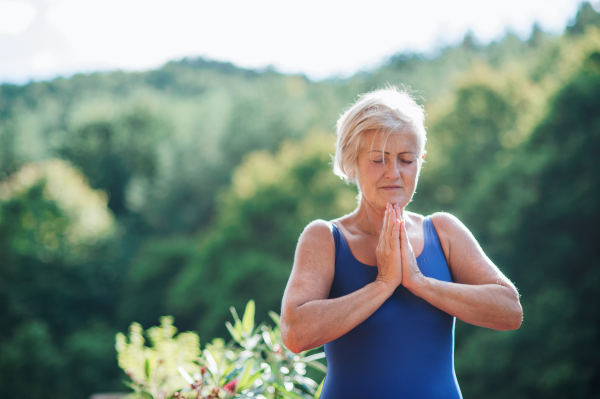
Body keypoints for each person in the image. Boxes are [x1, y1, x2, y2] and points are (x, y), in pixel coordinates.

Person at [279, 87, 523, 398]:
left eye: (406, 160)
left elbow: (509, 311)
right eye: (379, 160)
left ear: (421, 160)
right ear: (351, 162)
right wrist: (382, 284)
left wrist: (420, 282)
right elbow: (295, 333)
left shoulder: (443, 231)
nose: (393, 173)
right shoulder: (325, 238)